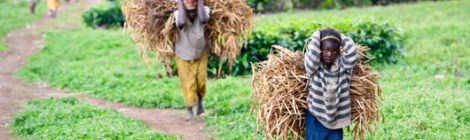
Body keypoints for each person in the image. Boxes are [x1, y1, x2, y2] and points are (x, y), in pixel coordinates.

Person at [303, 27, 358, 140]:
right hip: (316, 117)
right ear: (319, 50)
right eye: (326, 50)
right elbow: (312, 54)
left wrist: (339, 35)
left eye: (334, 51)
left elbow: (352, 54)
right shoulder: (314, 67)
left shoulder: (343, 67)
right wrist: (317, 34)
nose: (329, 54)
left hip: (336, 119)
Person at [173, 0, 210, 120]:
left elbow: (204, 20)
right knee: (187, 81)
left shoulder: (204, 11)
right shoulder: (178, 13)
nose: (190, 2)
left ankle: (199, 100)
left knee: (201, 79)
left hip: (200, 52)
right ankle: (189, 108)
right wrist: (181, 2)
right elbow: (182, 22)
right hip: (182, 53)